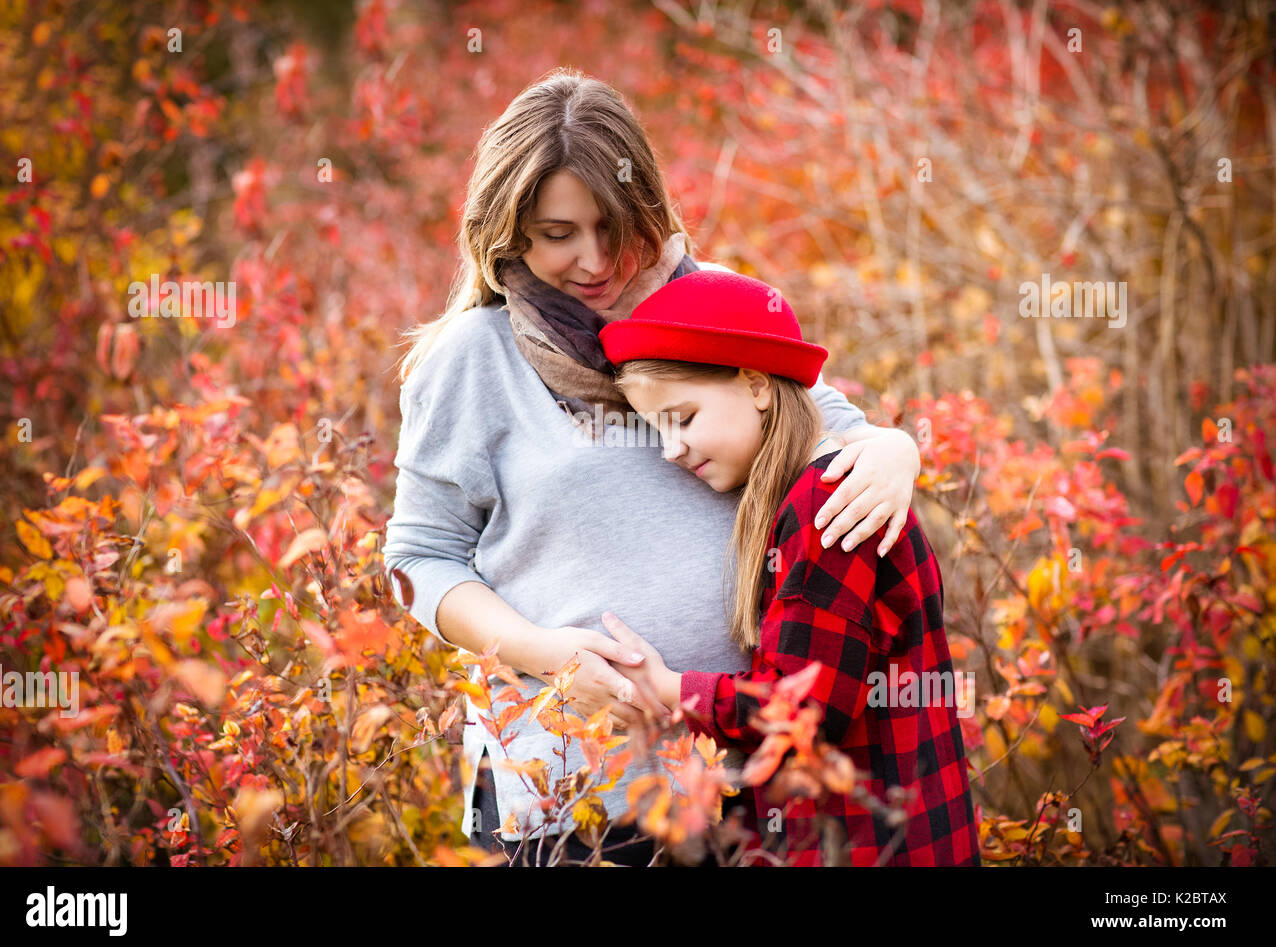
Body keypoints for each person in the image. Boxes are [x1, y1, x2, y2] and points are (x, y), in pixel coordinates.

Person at [384, 68, 924, 865]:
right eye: (558, 233)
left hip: (746, 783)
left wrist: (897, 448)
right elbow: (419, 559)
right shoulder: (472, 359)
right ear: (510, 233)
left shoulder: (720, 309)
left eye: (612, 224)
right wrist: (542, 650)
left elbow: (829, 430)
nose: (596, 260)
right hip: (563, 792)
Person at [597, 269, 981, 866]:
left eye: (684, 417)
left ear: (754, 383)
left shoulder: (825, 502)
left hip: (867, 844)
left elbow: (803, 709)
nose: (670, 450)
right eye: (656, 430)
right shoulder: (807, 492)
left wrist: (668, 688)